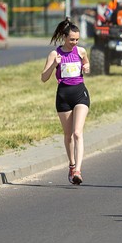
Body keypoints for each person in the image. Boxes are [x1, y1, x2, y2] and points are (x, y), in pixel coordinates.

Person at [41, 17, 91, 185]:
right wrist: (53, 65)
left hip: (80, 94)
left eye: (77, 39)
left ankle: (78, 170)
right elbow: (43, 78)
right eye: (71, 40)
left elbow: (86, 63)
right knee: (68, 135)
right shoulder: (55, 54)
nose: (74, 43)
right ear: (64, 37)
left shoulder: (81, 51)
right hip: (63, 96)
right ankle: (71, 164)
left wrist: (86, 67)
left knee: (78, 133)